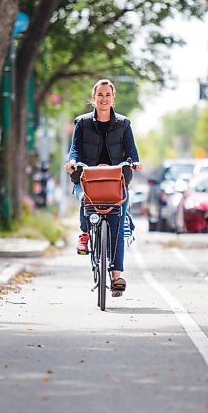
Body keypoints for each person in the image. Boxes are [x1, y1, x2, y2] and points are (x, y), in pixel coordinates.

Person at [64, 79, 142, 296]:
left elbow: (131, 151)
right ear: (93, 98)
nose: (104, 99)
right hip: (88, 179)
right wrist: (72, 163)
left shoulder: (124, 124)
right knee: (84, 200)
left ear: (113, 98)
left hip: (115, 182)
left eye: (108, 95)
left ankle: (116, 276)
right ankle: (85, 234)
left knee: (117, 224)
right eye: (100, 95)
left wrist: (135, 162)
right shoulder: (82, 122)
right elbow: (75, 151)